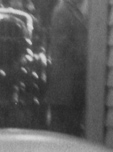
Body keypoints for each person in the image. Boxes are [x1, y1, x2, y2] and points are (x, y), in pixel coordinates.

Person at [45, 0, 87, 136]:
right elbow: (63, 46)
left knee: (72, 130)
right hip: (65, 89)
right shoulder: (62, 12)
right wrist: (88, 55)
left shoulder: (72, 11)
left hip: (72, 87)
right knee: (63, 133)